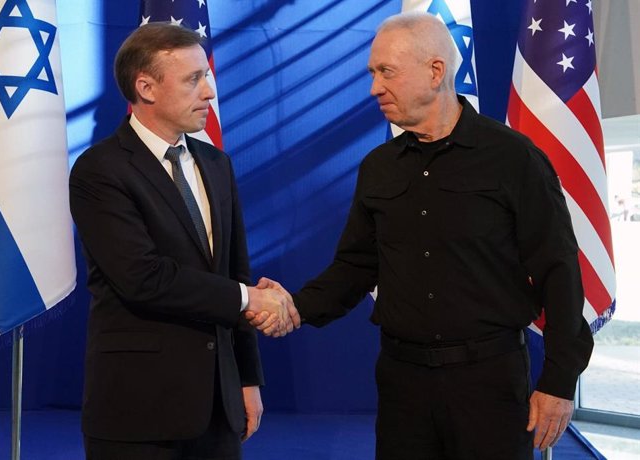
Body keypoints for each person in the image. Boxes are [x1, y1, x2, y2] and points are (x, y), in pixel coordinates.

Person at [248, 12, 593, 460]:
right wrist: (295, 307)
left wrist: (559, 382)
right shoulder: (379, 167)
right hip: (402, 384)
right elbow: (355, 266)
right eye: (372, 73)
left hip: (489, 383)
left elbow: (559, 272)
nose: (374, 87)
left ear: (435, 71)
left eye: (385, 72)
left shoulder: (514, 158)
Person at [69, 23, 292, 460]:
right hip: (138, 411)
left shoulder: (216, 164)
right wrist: (251, 300)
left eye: (206, 76)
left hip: (218, 408)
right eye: (194, 79)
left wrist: (246, 380)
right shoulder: (101, 171)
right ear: (146, 87)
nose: (209, 92)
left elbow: (234, 273)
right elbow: (143, 277)